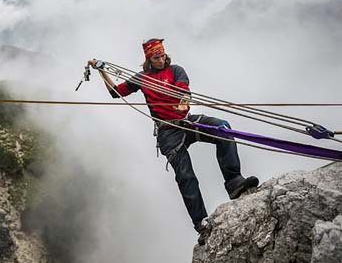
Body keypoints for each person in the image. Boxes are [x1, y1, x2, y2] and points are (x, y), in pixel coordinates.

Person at [88, 38, 258, 245]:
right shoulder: (142, 78)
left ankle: (234, 182)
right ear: (149, 59)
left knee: (222, 127)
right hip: (167, 131)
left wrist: (182, 103)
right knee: (185, 175)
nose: (160, 60)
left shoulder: (176, 70)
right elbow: (116, 93)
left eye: (162, 56)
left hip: (185, 121)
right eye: (156, 57)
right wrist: (101, 71)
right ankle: (201, 223)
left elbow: (183, 89)